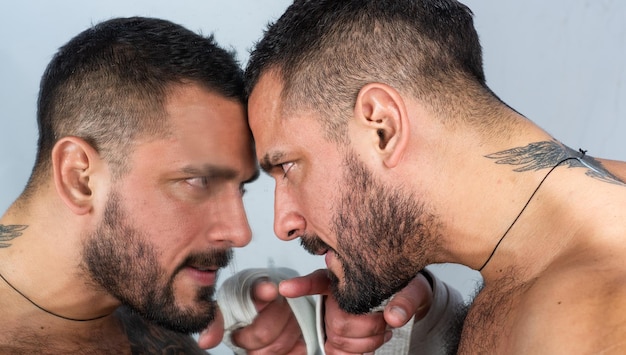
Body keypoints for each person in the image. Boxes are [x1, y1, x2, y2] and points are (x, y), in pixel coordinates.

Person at [0, 15, 443, 354]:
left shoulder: (141, 307)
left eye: (241, 187)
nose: (241, 232)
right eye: (196, 181)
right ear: (79, 176)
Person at [245, 0, 626, 353]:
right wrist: (429, 320)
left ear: (383, 127)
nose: (285, 224)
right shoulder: (555, 270)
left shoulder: (595, 316)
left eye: (288, 166)